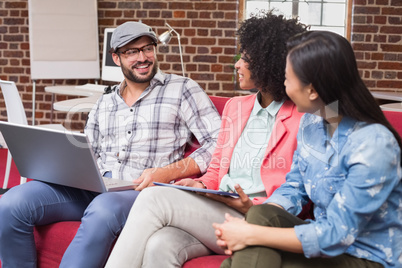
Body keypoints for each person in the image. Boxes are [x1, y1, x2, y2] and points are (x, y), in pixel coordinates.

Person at [0, 21, 221, 268]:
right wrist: (63, 164)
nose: (143, 57)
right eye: (131, 52)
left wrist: (167, 172)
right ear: (116, 58)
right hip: (93, 185)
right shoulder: (105, 101)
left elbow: (219, 142)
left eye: (148, 48)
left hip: (140, 191)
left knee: (103, 210)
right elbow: (87, 149)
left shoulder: (182, 89)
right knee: (11, 203)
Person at [105, 11, 309, 268]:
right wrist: (200, 185)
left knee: (152, 198)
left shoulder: (303, 117)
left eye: (244, 59)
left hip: (257, 218)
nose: (236, 64)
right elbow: (216, 170)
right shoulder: (236, 107)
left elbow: (299, 188)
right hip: (217, 207)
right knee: (161, 243)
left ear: (269, 63)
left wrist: (254, 206)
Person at [213, 31, 402, 268]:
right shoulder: (313, 123)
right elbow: (295, 185)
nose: (283, 85)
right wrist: (258, 219)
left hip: (366, 256)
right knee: (261, 214)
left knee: (242, 260)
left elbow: (335, 235)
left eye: (287, 79)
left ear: (312, 90)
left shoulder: (373, 144)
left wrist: (249, 234)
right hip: (326, 244)